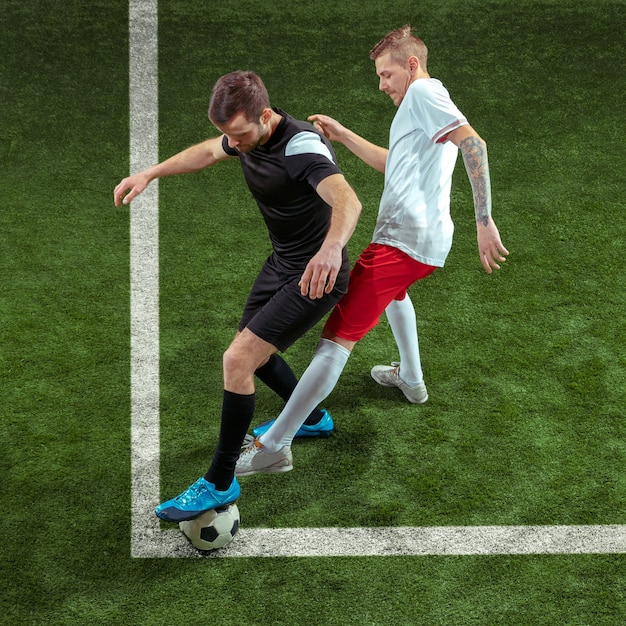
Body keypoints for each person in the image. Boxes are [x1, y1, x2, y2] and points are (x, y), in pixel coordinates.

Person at [236, 26, 509, 476]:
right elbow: (394, 162)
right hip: (420, 243)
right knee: (396, 296)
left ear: (412, 65)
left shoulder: (423, 94)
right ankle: (412, 380)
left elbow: (473, 144)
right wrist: (343, 136)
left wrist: (484, 221)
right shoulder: (421, 108)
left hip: (404, 241)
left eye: (386, 74)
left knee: (337, 337)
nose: (381, 84)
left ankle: (275, 446)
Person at [114, 71, 362, 521]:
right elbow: (207, 152)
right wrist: (150, 173)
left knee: (237, 360)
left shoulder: (300, 146)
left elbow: (349, 201)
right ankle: (310, 417)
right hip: (282, 262)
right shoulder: (246, 136)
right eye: (228, 134)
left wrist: (329, 251)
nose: (233, 143)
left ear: (265, 116)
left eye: (239, 134)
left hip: (316, 273)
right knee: (255, 352)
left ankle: (220, 481)